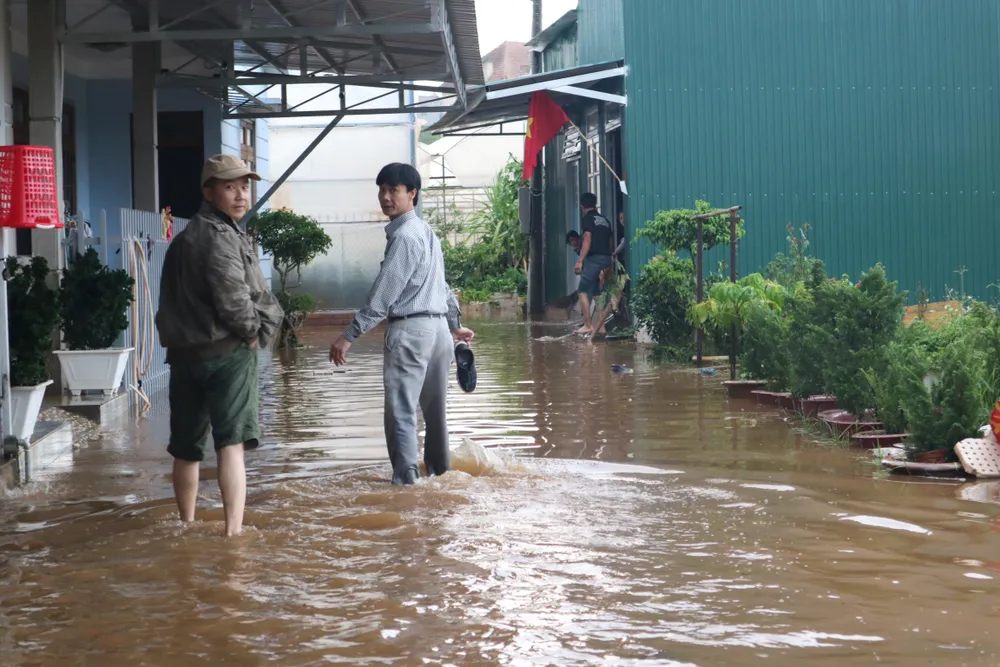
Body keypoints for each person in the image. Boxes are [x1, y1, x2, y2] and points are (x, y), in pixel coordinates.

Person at [156, 154, 284, 537]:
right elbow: (234, 301)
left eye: (244, 186)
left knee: (186, 447)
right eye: (230, 187)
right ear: (209, 192)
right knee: (231, 445)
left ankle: (187, 524)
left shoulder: (182, 240)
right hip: (226, 354)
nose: (241, 195)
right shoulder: (222, 239)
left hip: (183, 357)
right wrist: (251, 334)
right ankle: (233, 534)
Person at [329, 162, 475, 486]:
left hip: (411, 331)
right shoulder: (426, 233)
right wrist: (454, 325)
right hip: (438, 334)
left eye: (394, 190)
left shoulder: (405, 237)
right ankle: (440, 475)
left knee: (401, 412)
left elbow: (384, 293)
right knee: (435, 415)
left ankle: (406, 486)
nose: (385, 197)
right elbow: (443, 286)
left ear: (412, 194)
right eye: (381, 190)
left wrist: (349, 335)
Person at [573, 192, 614, 335]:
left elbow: (588, 238)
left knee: (582, 291)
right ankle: (601, 327)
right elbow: (610, 242)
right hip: (607, 258)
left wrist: (580, 260)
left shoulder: (587, 219)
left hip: (594, 258)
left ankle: (588, 325)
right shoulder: (605, 220)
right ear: (595, 204)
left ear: (582, 206)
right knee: (598, 293)